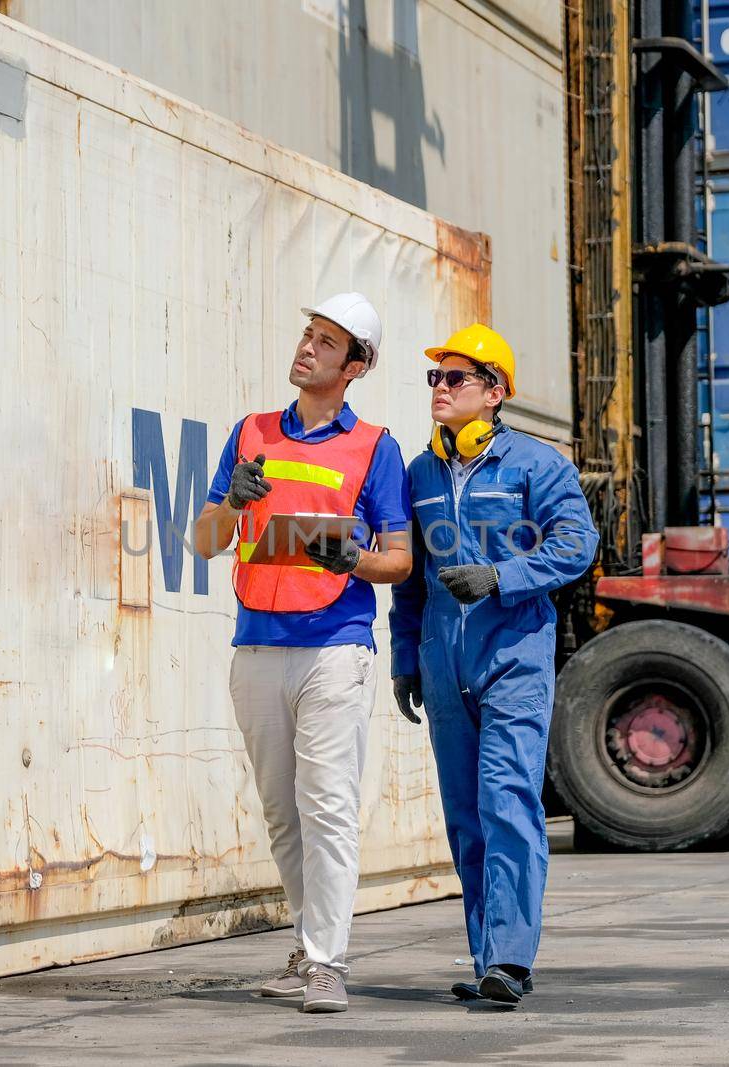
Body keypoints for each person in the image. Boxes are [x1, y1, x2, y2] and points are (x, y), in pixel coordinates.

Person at [193, 293, 413, 1014]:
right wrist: (230, 498)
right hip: (255, 645)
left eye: (326, 342)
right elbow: (205, 539)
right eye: (307, 334)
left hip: (333, 650)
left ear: (355, 366)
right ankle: (309, 940)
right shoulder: (250, 432)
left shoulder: (375, 447)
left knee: (327, 808)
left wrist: (350, 556)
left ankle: (326, 961)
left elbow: (400, 562)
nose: (307, 348)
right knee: (284, 814)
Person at [388, 323, 598, 1005]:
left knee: (507, 801)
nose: (439, 389)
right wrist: (404, 657)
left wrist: (502, 576)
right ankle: (486, 957)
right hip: (443, 665)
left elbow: (577, 544)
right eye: (435, 378)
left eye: (455, 378)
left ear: (495, 392)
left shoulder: (537, 465)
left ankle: (510, 956)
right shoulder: (417, 473)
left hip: (514, 658)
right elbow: (410, 580)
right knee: (465, 814)